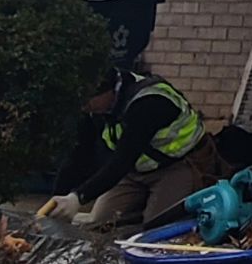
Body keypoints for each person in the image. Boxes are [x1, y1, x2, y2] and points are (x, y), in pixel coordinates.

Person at [47, 66, 222, 231]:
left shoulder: (147, 104)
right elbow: (79, 155)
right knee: (99, 222)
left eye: (87, 100)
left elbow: (121, 161)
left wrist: (79, 198)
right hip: (135, 170)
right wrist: (57, 200)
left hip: (178, 165)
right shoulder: (97, 108)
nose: (84, 106)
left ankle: (149, 213)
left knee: (156, 227)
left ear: (108, 91)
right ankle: (136, 211)